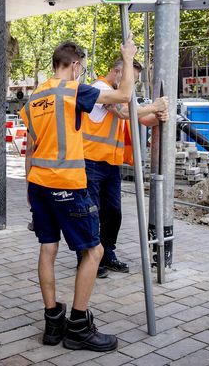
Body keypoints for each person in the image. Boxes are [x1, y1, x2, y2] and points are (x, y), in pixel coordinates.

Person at [20, 37, 136, 352]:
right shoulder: (73, 91)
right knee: (94, 252)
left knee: (48, 249)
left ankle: (52, 320)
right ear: (73, 65)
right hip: (67, 185)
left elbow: (30, 147)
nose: (80, 73)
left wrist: (29, 189)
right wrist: (127, 58)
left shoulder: (36, 96)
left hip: (39, 184)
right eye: (80, 68)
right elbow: (124, 94)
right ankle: (78, 326)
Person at [79, 58, 169, 277]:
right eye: (132, 78)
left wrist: (159, 116)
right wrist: (154, 107)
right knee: (92, 213)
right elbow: (125, 111)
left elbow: (139, 117)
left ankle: (106, 254)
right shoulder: (100, 89)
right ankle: (88, 260)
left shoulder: (119, 94)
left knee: (113, 213)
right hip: (90, 161)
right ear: (118, 71)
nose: (133, 84)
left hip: (110, 164)